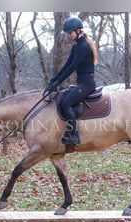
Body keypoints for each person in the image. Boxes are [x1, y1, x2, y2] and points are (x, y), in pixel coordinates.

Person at [47, 17, 98, 146]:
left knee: (66, 103)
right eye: (68, 33)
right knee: (65, 100)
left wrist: (58, 82)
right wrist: (54, 80)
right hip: (82, 83)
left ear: (78, 30)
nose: (69, 35)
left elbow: (72, 67)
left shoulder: (84, 47)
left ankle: (74, 136)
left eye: (70, 33)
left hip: (87, 84)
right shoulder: (77, 47)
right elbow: (66, 65)